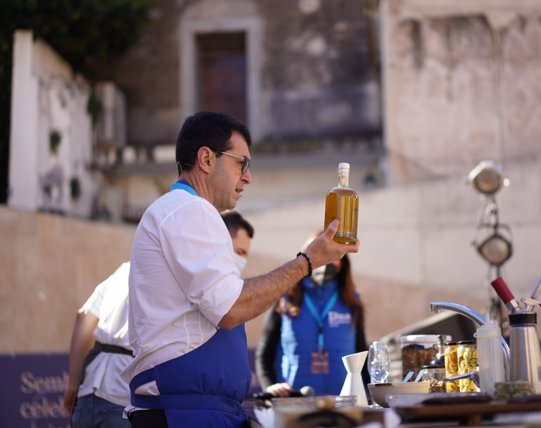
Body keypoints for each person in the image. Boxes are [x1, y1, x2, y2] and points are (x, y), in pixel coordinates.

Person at [124, 111, 358, 428]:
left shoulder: (184, 211)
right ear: (206, 159)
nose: (247, 177)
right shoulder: (189, 210)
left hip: (196, 409)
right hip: (185, 413)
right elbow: (232, 308)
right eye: (241, 163)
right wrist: (307, 261)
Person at [62, 210, 255, 428]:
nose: (241, 261)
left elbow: (84, 319)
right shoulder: (189, 276)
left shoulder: (125, 269)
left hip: (89, 389)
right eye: (239, 251)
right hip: (125, 394)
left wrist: (72, 384)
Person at [255, 231, 368, 397]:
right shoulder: (285, 299)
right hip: (295, 403)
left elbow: (361, 356)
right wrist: (270, 387)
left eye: (332, 254)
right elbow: (264, 355)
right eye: (320, 253)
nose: (325, 260)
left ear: (342, 261)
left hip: (344, 403)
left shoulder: (352, 303)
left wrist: (366, 396)